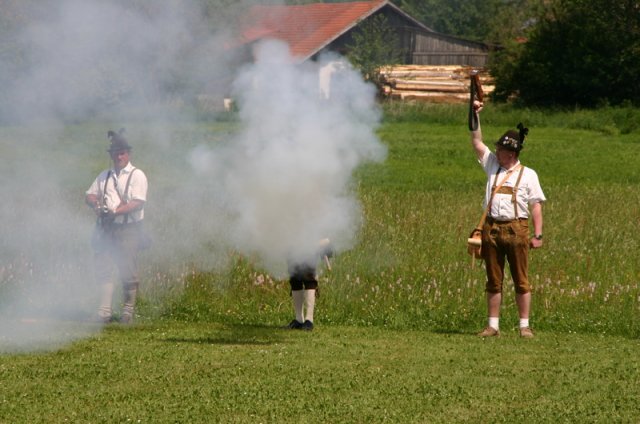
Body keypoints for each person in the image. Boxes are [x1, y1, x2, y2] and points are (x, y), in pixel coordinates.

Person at [470, 101, 546, 338]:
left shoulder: (529, 174)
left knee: (521, 280)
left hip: (517, 229)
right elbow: (476, 141)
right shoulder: (492, 164)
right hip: (491, 228)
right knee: (493, 280)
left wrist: (538, 234)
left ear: (511, 154)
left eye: (501, 149)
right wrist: (474, 114)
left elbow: (535, 206)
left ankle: (524, 327)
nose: (496, 152)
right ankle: (493, 326)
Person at [85, 129, 148, 324]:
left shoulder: (138, 175)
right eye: (115, 153)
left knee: (127, 268)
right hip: (105, 228)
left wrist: (115, 212)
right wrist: (96, 205)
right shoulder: (104, 175)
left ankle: (128, 311)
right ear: (111, 155)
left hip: (128, 229)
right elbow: (89, 195)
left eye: (122, 153)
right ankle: (104, 311)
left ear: (128, 154)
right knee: (103, 265)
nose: (118, 156)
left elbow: (138, 202)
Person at [283, 238, 333, 331]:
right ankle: (299, 319)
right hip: (294, 244)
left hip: (310, 243)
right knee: (295, 279)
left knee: (308, 279)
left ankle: (309, 320)